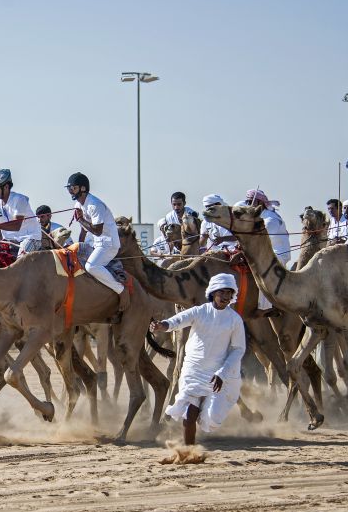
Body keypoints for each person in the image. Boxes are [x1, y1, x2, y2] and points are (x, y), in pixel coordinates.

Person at [150, 273, 245, 446]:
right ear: (213, 292)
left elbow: (238, 349)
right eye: (221, 292)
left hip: (218, 375)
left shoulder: (235, 320)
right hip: (194, 369)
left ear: (233, 295)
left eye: (228, 293)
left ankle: (204, 412)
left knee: (212, 419)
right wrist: (163, 325)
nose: (225, 296)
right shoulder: (200, 311)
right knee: (189, 413)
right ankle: (189, 451)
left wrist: (222, 373)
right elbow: (179, 320)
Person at [66, 171, 129, 310]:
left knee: (91, 267)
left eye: (74, 188)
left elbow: (97, 230)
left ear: (83, 188)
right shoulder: (78, 204)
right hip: (96, 244)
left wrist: (81, 219)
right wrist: (77, 246)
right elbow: (83, 230)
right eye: (69, 189)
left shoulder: (95, 205)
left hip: (109, 244)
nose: (71, 191)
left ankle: (121, 291)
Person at [0, 168, 43, 258]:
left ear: (6, 187)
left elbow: (16, 226)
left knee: (21, 259)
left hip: (30, 238)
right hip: (8, 241)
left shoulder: (20, 200)